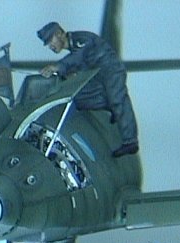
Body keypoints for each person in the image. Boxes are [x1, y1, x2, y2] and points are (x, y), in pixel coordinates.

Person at [36, 21, 139, 158]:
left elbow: (77, 57)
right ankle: (112, 108)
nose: (51, 46)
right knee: (79, 99)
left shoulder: (81, 40)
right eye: (48, 44)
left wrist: (58, 67)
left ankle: (130, 141)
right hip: (97, 77)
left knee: (117, 100)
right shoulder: (74, 47)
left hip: (111, 71)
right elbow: (80, 63)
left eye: (51, 41)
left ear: (59, 34)